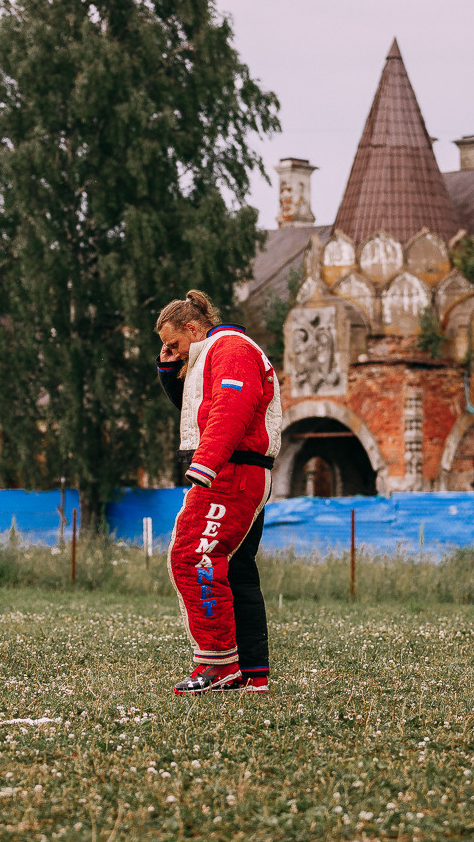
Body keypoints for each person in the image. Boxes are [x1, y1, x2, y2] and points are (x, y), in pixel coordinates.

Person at [155, 290, 281, 694]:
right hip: (234, 469)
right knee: (236, 570)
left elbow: (233, 406)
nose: (169, 350)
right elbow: (195, 411)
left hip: (232, 471)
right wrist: (168, 368)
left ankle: (219, 664)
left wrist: (205, 464)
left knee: (194, 557)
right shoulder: (213, 352)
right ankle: (251, 674)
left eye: (173, 343)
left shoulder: (231, 348)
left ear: (193, 328)